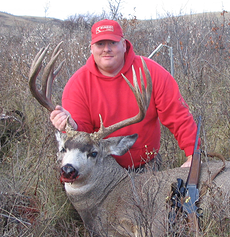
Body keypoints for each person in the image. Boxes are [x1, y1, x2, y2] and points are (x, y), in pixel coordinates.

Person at [50, 19, 198, 169]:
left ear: (124, 44)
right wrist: (72, 126)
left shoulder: (151, 73)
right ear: (91, 48)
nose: (106, 49)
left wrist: (193, 155)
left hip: (146, 165)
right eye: (100, 44)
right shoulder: (77, 85)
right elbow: (80, 140)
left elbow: (178, 115)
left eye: (112, 43)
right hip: (98, 169)